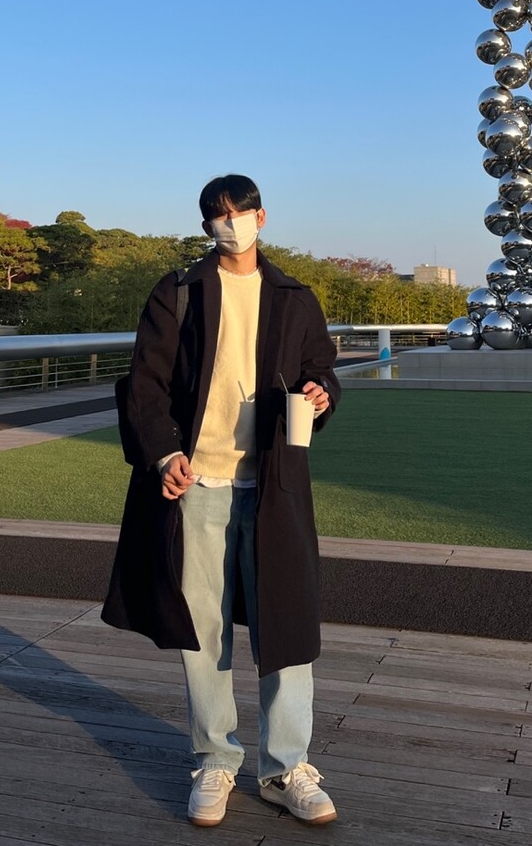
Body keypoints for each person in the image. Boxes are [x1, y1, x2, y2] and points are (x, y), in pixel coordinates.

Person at [102, 174, 341, 828]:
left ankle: (286, 767)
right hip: (198, 486)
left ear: (262, 217)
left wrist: (322, 392)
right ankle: (214, 758)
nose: (228, 223)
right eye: (217, 215)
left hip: (274, 488)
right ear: (207, 224)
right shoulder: (178, 291)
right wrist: (164, 453)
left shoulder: (293, 297)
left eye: (239, 212)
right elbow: (145, 384)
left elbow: (321, 369)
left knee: (286, 625)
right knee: (202, 633)